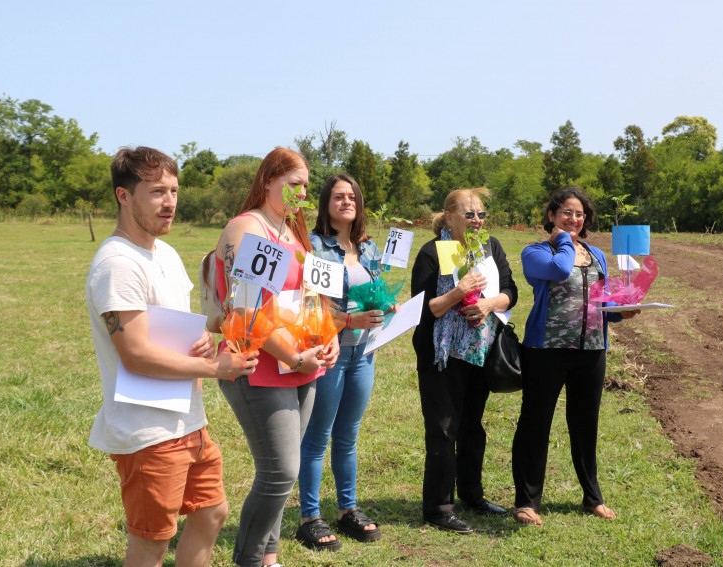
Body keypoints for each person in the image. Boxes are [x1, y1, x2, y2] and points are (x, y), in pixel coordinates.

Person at [86, 146, 259, 567]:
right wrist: (214, 367)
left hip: (187, 420)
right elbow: (136, 355)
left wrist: (204, 336)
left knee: (212, 513)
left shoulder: (164, 253)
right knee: (152, 542)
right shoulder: (117, 264)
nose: (170, 202)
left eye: (174, 191)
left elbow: (174, 327)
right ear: (123, 196)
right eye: (157, 192)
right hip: (147, 431)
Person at [215, 147, 340, 567]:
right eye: (293, 184)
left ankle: (270, 559)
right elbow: (246, 310)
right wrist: (296, 356)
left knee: (284, 473)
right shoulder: (247, 228)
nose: (301, 193)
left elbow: (311, 296)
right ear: (268, 180)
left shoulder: (292, 231)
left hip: (302, 365)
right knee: (280, 471)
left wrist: (328, 335)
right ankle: (249, 561)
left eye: (305, 186)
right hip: (257, 365)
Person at [511, 185, 638, 527]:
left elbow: (600, 301)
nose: (574, 219)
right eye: (566, 212)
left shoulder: (596, 255)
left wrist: (620, 311)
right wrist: (565, 241)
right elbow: (558, 270)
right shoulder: (535, 252)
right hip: (546, 350)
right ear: (551, 215)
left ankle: (593, 497)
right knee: (535, 424)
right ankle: (526, 502)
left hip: (591, 351)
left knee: (585, 425)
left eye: (580, 214)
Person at [411, 187, 517, 534]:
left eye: (481, 214)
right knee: (443, 429)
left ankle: (472, 496)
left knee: (472, 426)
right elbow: (424, 309)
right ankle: (438, 508)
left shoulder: (491, 247)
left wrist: (488, 304)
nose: (476, 220)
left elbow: (511, 292)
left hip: (480, 352)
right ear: (449, 217)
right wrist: (459, 292)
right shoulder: (433, 252)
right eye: (469, 214)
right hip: (441, 356)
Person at [296, 173, 390, 550]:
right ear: (326, 204)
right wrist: (349, 321)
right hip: (329, 353)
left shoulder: (369, 247)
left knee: (348, 436)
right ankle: (310, 517)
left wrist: (387, 305)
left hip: (363, 355)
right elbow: (310, 307)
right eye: (338, 196)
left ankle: (347, 509)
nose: (346, 201)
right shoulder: (315, 246)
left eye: (352, 196)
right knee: (318, 436)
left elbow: (376, 293)